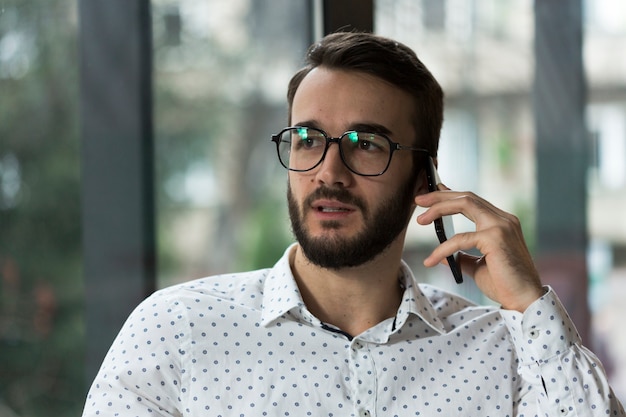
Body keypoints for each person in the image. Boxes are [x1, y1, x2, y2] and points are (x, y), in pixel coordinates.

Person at [82, 32, 625, 416]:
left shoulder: (503, 351)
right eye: (307, 139)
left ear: (424, 177)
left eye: (367, 145)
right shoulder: (174, 332)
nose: (329, 172)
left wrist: (530, 304)